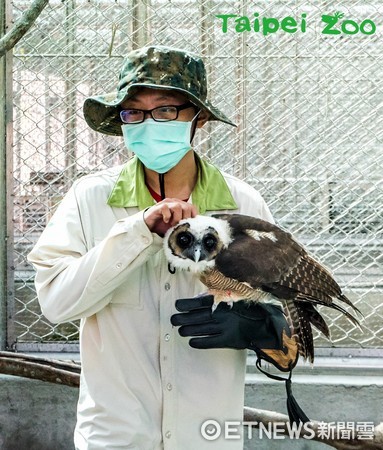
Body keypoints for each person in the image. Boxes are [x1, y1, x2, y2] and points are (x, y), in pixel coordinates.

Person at [28, 45, 298, 450]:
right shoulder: (90, 199)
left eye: (167, 109)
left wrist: (260, 325)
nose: (149, 123)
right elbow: (56, 303)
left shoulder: (243, 206)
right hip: (117, 437)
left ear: (199, 118)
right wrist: (137, 233)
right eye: (134, 111)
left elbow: (288, 327)